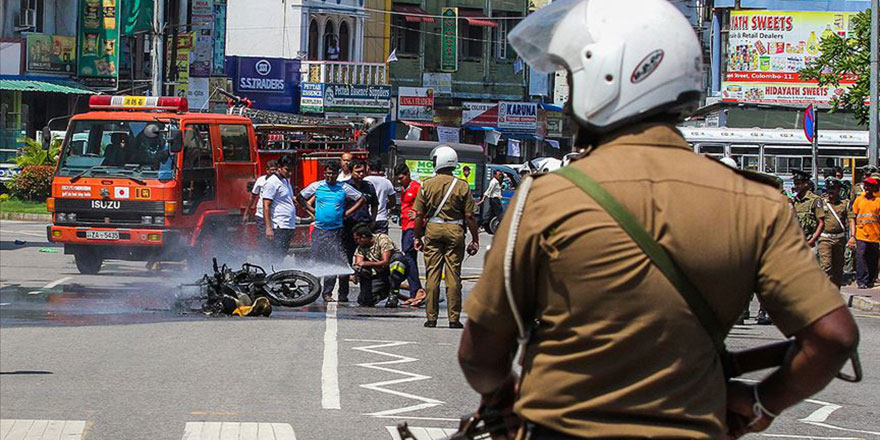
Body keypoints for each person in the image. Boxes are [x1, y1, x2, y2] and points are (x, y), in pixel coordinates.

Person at [458, 1, 859, 439]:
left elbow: (481, 355)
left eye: (573, 81)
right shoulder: (756, 202)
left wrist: (501, 396)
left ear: (606, 78)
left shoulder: (547, 198)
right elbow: (833, 338)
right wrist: (763, 403)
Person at [413, 146, 479, 328]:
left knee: (432, 274)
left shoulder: (426, 185)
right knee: (453, 275)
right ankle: (453, 318)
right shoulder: (462, 186)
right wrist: (475, 239)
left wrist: (417, 237)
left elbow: (418, 214)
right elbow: (470, 216)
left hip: (433, 229)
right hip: (455, 231)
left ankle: (431, 318)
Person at [298, 161, 364, 302]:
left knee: (332, 261)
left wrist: (347, 213)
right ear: (324, 173)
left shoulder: (343, 187)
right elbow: (300, 197)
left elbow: (361, 199)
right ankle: (312, 290)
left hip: (336, 230)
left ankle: (327, 293)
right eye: (328, 173)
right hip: (319, 230)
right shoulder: (317, 186)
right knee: (316, 260)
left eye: (333, 173)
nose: (330, 176)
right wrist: (311, 210)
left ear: (337, 174)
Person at [351, 223, 409, 307]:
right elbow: (358, 263)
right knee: (364, 301)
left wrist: (366, 263)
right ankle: (384, 291)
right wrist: (358, 271)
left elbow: (385, 262)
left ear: (364, 237)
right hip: (381, 275)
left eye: (357, 239)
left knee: (397, 261)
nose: (356, 242)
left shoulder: (382, 239)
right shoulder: (361, 248)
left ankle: (394, 294)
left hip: (394, 269)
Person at [394, 163, 427, 305]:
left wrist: (419, 216)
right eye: (398, 179)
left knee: (409, 257)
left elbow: (425, 205)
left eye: (401, 178)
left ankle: (418, 290)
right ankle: (415, 291)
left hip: (414, 227)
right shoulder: (404, 188)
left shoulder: (417, 187)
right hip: (406, 226)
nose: (399, 181)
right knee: (409, 257)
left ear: (408, 174)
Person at [261, 156, 298, 262]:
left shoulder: (286, 180)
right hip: (279, 225)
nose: (290, 173)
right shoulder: (272, 182)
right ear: (279, 167)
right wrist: (268, 228)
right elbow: (266, 205)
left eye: (291, 170)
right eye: (287, 170)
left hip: (288, 224)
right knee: (276, 256)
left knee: (282, 255)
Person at [818, 178, 851, 288]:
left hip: (840, 239)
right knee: (826, 266)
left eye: (834, 188)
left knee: (838, 268)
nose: (831, 191)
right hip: (825, 239)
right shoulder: (821, 202)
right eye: (829, 188)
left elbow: (850, 219)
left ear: (838, 189)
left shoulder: (844, 204)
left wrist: (852, 237)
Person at [850, 176, 880, 289]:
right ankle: (861, 280)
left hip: (875, 235)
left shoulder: (878, 201)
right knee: (861, 256)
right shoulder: (859, 200)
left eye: (870, 186)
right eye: (866, 185)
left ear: (874, 188)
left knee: (872, 258)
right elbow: (853, 217)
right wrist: (853, 235)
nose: (867, 188)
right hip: (861, 234)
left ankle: (870, 279)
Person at [245, 160, 278, 247]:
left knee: (275, 239)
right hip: (261, 214)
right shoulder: (260, 180)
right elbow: (253, 197)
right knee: (264, 238)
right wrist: (247, 213)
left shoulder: (280, 181)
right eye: (272, 170)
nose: (273, 172)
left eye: (275, 170)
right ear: (267, 170)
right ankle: (264, 255)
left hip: (275, 215)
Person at [791, 169, 825, 248]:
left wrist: (812, 240)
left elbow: (821, 223)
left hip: (809, 243)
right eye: (795, 184)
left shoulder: (814, 200)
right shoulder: (794, 201)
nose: (796, 186)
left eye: (799, 184)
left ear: (806, 184)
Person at [365, 158, 397, 234]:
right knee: (381, 243)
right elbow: (393, 201)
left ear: (368, 168)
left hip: (367, 218)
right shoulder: (387, 182)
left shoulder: (365, 180)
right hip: (382, 218)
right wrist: (385, 206)